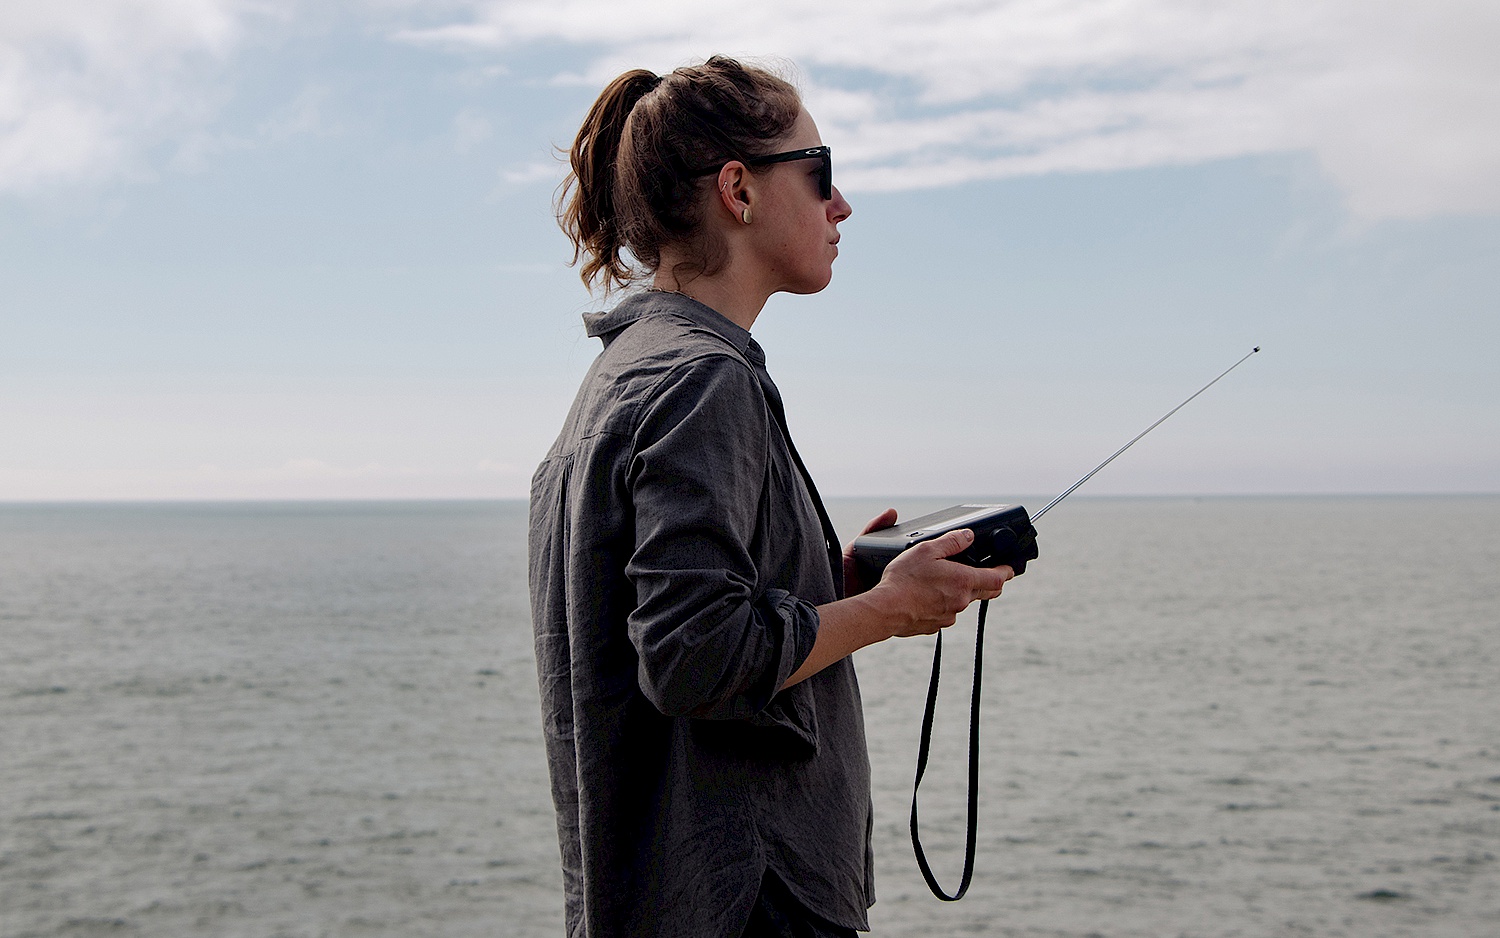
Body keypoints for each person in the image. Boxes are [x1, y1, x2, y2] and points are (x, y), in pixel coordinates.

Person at [528, 56, 1014, 938]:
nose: (842, 204)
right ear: (738, 190)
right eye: (820, 170)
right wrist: (889, 613)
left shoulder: (619, 378)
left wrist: (839, 582)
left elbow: (670, 615)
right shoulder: (704, 380)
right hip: (747, 899)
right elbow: (695, 657)